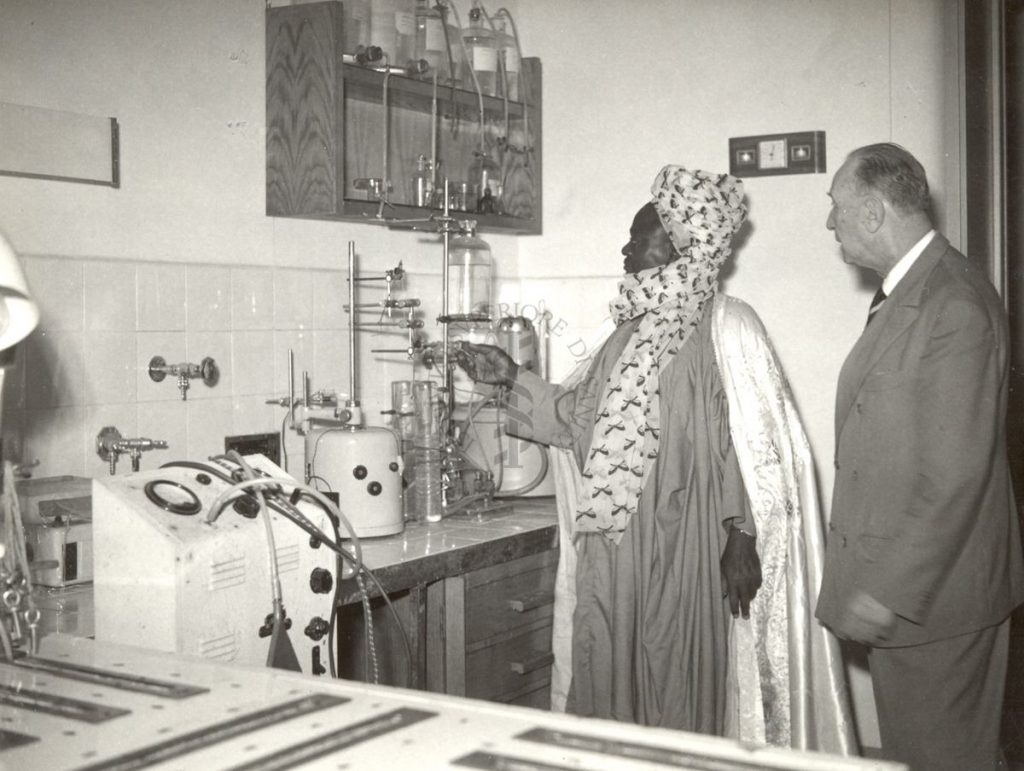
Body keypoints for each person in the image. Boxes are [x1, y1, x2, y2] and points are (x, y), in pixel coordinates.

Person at [456, 165, 856, 753]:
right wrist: (511, 377)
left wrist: (743, 533)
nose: (625, 246)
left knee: (679, 687)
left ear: (680, 241)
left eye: (639, 234)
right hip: (618, 553)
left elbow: (753, 447)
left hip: (688, 549)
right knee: (610, 683)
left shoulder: (728, 326)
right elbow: (577, 421)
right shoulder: (626, 333)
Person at [815, 142, 1024, 771]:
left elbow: (954, 476)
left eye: (837, 207)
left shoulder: (951, 304)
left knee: (943, 759)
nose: (831, 223)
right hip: (922, 596)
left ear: (874, 211)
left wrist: (888, 591)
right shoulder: (913, 292)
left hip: (935, 599)